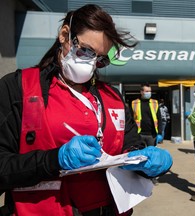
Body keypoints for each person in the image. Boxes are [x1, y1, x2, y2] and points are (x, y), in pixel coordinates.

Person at [0, 4, 173, 216]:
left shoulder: (112, 97)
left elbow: (130, 145)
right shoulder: (20, 88)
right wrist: (55, 159)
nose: (90, 63)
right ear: (65, 35)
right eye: (86, 51)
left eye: (99, 58)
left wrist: (145, 162)